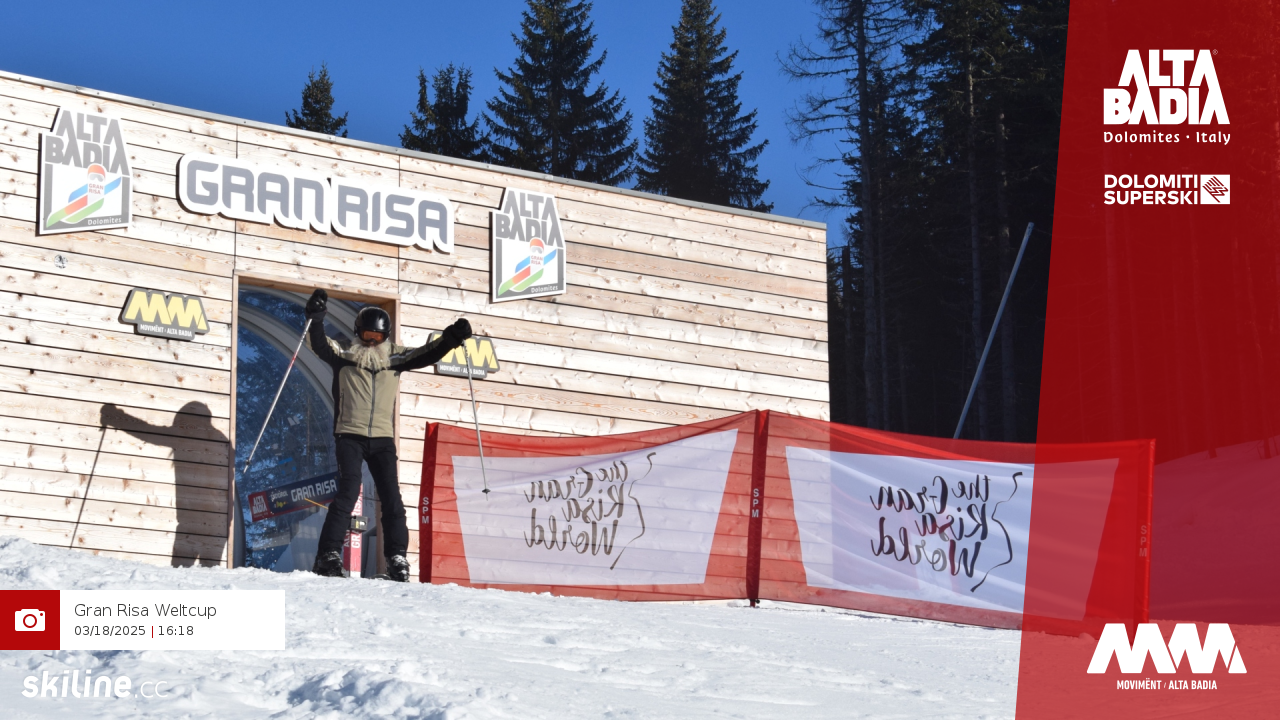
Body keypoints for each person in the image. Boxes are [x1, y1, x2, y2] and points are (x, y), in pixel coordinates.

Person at [303, 288, 471, 581]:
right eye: (367, 336)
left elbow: (427, 353)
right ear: (358, 332)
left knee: (392, 498)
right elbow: (319, 344)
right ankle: (328, 555)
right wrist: (316, 318)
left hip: (382, 439)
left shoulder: (395, 357)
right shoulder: (344, 353)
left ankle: (396, 557)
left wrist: (452, 338)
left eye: (377, 338)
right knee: (348, 492)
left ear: (386, 337)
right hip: (349, 435)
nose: (371, 342)